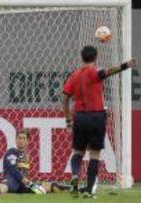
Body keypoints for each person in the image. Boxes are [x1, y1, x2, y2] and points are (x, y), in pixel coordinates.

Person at [62, 45, 136, 198]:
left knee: (78, 152)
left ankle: (75, 176)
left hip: (80, 117)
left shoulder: (74, 75)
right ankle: (89, 190)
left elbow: (64, 97)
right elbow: (108, 72)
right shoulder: (95, 71)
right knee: (94, 154)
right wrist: (126, 65)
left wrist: (68, 118)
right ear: (95, 57)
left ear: (82, 57)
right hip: (96, 116)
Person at [0, 129, 71, 195]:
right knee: (0, 190)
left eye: (24, 138)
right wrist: (25, 180)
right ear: (16, 139)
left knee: (50, 185)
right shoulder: (11, 152)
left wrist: (29, 182)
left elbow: (24, 171)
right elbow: (12, 169)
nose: (21, 140)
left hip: (22, 185)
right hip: (11, 181)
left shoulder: (26, 154)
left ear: (28, 141)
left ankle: (72, 189)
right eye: (19, 138)